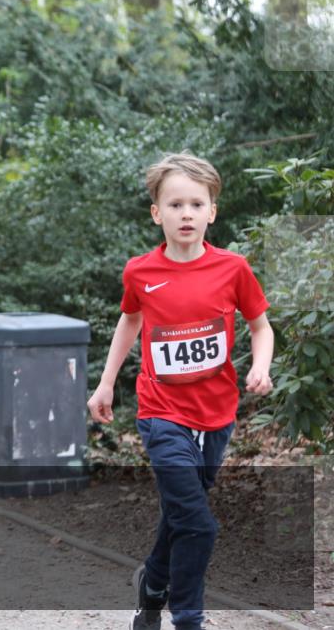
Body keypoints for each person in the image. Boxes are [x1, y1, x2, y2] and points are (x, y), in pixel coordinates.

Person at [86, 153, 274, 630]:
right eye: (175, 205)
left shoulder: (233, 269)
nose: (186, 214)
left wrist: (261, 366)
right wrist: (106, 384)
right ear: (157, 213)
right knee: (198, 523)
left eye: (196, 204)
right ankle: (188, 618)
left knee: (180, 513)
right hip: (161, 413)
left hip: (217, 416)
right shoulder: (140, 272)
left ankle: (151, 588)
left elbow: (260, 326)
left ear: (212, 211)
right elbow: (129, 321)